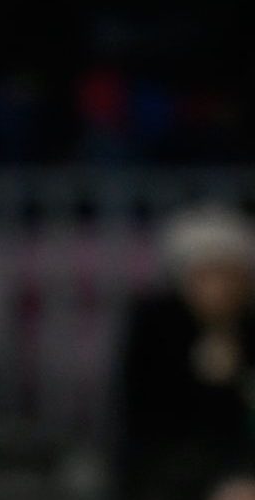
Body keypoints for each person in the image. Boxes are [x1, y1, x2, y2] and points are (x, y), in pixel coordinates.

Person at [118, 205, 255, 500]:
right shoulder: (156, 329)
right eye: (205, 275)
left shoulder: (247, 328)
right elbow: (144, 422)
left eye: (229, 275)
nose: (219, 288)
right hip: (169, 470)